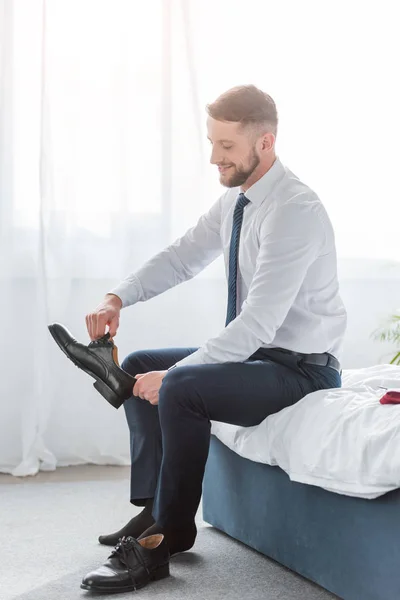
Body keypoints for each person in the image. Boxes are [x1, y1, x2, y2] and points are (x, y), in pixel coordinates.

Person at [81, 84, 347, 592]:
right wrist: (117, 297)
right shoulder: (237, 201)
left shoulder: (294, 210)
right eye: (212, 142)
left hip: (301, 369)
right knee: (139, 364)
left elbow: (258, 324)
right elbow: (182, 256)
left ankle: (170, 537)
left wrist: (179, 375)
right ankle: (154, 510)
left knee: (180, 386)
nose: (213, 158)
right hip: (261, 358)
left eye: (226, 147)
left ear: (265, 142)